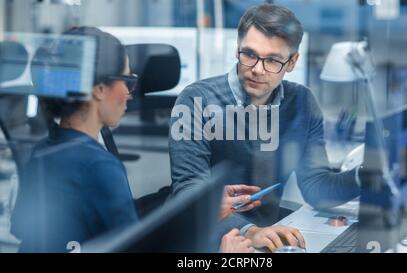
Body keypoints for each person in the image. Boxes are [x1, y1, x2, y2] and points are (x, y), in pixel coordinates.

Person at [10, 27, 252, 253]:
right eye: (126, 81)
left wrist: (202, 208)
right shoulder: (98, 166)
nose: (129, 92)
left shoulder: (45, 151)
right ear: (99, 89)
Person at [169, 4, 360, 252]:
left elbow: (316, 186)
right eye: (249, 54)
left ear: (292, 62)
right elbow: (189, 194)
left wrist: (364, 176)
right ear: (237, 49)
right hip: (211, 242)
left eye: (272, 60)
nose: (257, 69)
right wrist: (251, 232)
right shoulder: (196, 100)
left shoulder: (301, 102)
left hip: (268, 239)